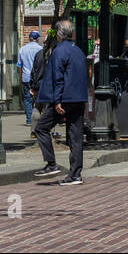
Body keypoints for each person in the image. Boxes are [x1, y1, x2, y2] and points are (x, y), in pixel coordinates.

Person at [33, 18, 89, 185]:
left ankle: (51, 164)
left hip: (64, 99)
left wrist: (57, 101)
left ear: (58, 34)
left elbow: (58, 77)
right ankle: (75, 174)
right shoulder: (78, 50)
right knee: (76, 137)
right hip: (79, 98)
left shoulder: (59, 51)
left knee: (41, 128)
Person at [16, 31, 41, 126]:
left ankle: (29, 120)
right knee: (38, 97)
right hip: (38, 77)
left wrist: (20, 77)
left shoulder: (22, 49)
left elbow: (19, 65)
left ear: (29, 38)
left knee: (27, 98)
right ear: (37, 39)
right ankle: (38, 120)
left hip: (26, 77)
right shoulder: (40, 49)